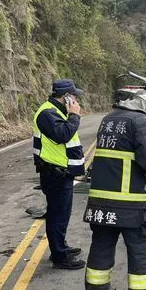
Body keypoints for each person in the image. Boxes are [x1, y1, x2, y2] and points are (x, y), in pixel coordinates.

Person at [83, 91, 146, 290]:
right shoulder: (141, 121)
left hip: (101, 203)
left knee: (101, 246)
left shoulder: (109, 119)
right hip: (133, 204)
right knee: (140, 249)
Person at [32, 79, 86, 270]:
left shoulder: (56, 111)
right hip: (54, 173)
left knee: (61, 214)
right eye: (74, 95)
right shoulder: (47, 113)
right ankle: (59, 257)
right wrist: (74, 116)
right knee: (57, 215)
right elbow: (62, 135)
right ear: (66, 97)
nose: (77, 99)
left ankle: (60, 247)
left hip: (61, 172)